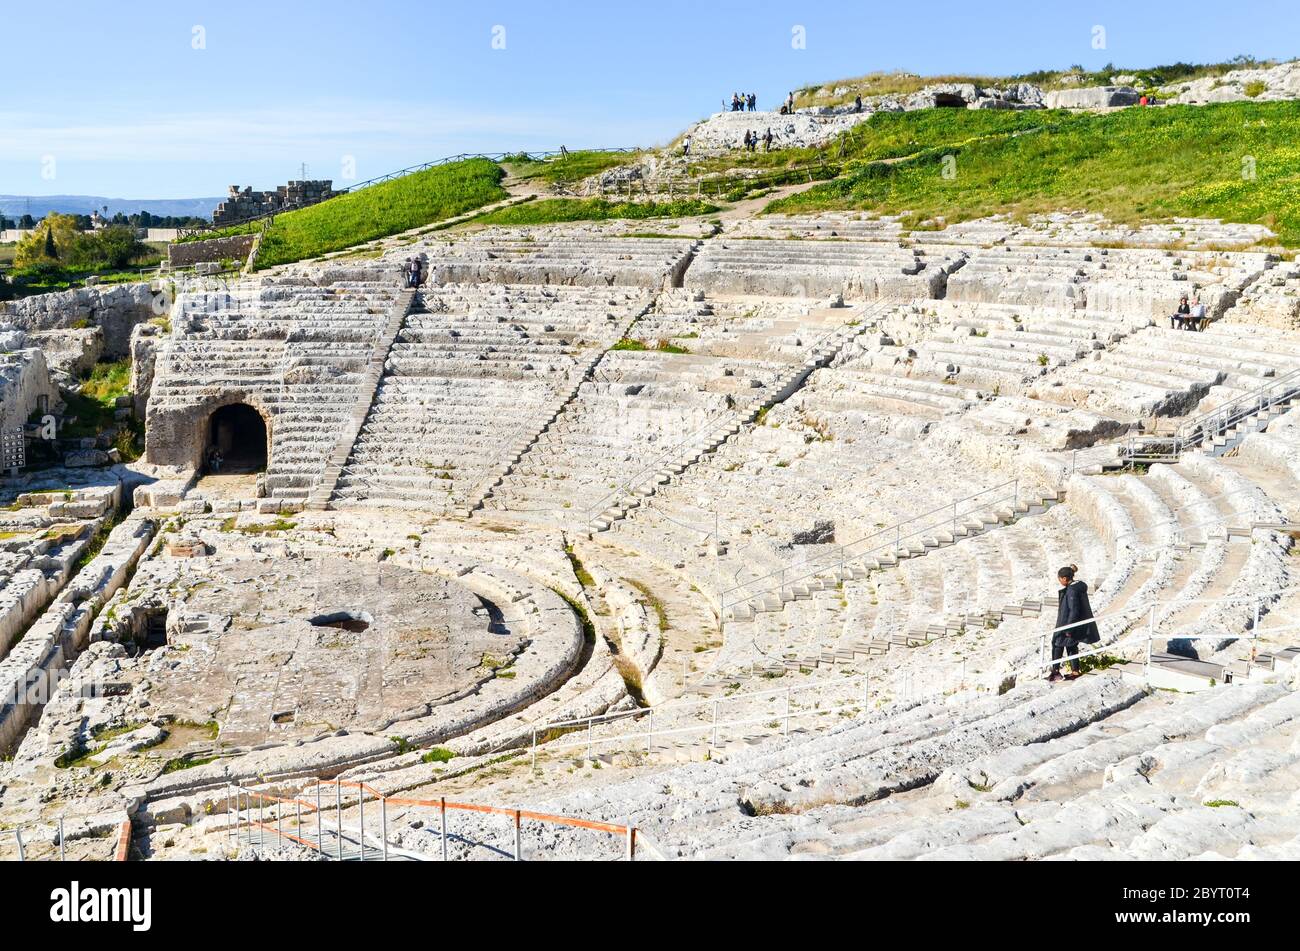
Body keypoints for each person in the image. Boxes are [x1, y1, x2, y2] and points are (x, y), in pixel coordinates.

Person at [1049, 565, 1100, 682]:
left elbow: (1074, 610)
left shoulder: (1071, 591)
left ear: (1065, 579)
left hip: (1067, 623)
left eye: (1060, 578)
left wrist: (1069, 629)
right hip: (1070, 623)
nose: (1059, 580)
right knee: (1071, 646)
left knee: (1057, 644)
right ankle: (1075, 671)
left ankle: (1055, 673)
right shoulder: (1077, 586)